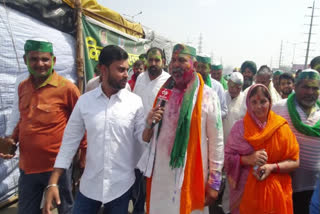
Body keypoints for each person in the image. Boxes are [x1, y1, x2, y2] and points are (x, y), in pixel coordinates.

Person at [43, 45, 147, 214]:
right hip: (90, 185)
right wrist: (53, 181)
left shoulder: (135, 102)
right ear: (103, 70)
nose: (126, 75)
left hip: (121, 186)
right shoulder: (85, 102)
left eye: (127, 70)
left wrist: (150, 125)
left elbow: (142, 138)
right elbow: (69, 142)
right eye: (120, 70)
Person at [0, 39, 87, 214]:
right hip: (27, 166)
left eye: (45, 59)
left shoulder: (67, 89)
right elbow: (23, 119)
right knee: (26, 210)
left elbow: (81, 124)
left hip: (57, 166)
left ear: (53, 60)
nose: (40, 64)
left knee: (65, 209)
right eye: (34, 59)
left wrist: (83, 156)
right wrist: (12, 140)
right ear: (25, 60)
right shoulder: (23, 87)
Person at [137, 44, 224, 214]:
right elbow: (148, 136)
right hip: (161, 176)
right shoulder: (164, 93)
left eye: (182, 60)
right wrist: (149, 122)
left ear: (195, 65)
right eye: (173, 60)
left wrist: (214, 182)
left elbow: (217, 142)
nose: (176, 64)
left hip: (189, 175)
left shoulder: (208, 96)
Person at [225, 84, 300, 214]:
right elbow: (227, 158)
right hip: (244, 194)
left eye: (263, 101)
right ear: (248, 104)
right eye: (253, 102)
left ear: (270, 102)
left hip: (275, 196)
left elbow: (295, 162)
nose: (258, 107)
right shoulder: (239, 128)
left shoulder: (281, 127)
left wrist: (272, 167)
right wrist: (248, 159)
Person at [272, 69, 320, 214]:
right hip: (284, 183)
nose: (310, 92)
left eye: (315, 88)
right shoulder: (279, 107)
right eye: (305, 87)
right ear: (295, 86)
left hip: (314, 188)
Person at [221, 72, 245, 214]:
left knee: (232, 179)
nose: (234, 89)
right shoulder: (221, 96)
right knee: (216, 175)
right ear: (228, 83)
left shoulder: (245, 100)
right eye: (231, 86)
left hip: (236, 149)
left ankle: (227, 208)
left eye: (238, 87)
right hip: (220, 143)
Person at [133, 47, 170, 115]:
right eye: (150, 60)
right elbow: (133, 101)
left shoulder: (168, 81)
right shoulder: (141, 77)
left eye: (157, 60)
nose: (153, 63)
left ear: (163, 62)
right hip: (138, 124)